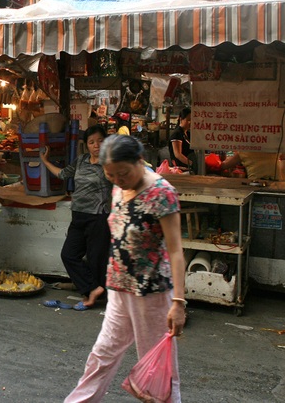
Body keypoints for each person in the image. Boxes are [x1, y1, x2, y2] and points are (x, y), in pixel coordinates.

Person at [64, 134, 186, 403]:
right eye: (111, 175)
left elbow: (176, 251)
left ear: (140, 161)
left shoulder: (162, 193)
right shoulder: (118, 187)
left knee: (158, 369)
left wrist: (178, 302)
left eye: (123, 173)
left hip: (151, 294)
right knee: (101, 355)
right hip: (118, 287)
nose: (118, 179)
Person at [40, 125, 112, 310]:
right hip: (78, 215)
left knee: (97, 259)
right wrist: (45, 160)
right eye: (91, 142)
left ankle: (92, 296)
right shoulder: (81, 161)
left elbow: (120, 181)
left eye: (100, 141)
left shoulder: (110, 163)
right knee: (69, 254)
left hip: (98, 216)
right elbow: (63, 174)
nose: (96, 145)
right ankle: (93, 289)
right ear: (86, 145)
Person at [168, 107, 195, 172]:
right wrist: (192, 164)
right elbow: (178, 154)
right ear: (181, 119)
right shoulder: (177, 134)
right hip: (180, 169)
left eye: (192, 120)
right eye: (188, 120)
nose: (190, 122)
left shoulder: (187, 133)